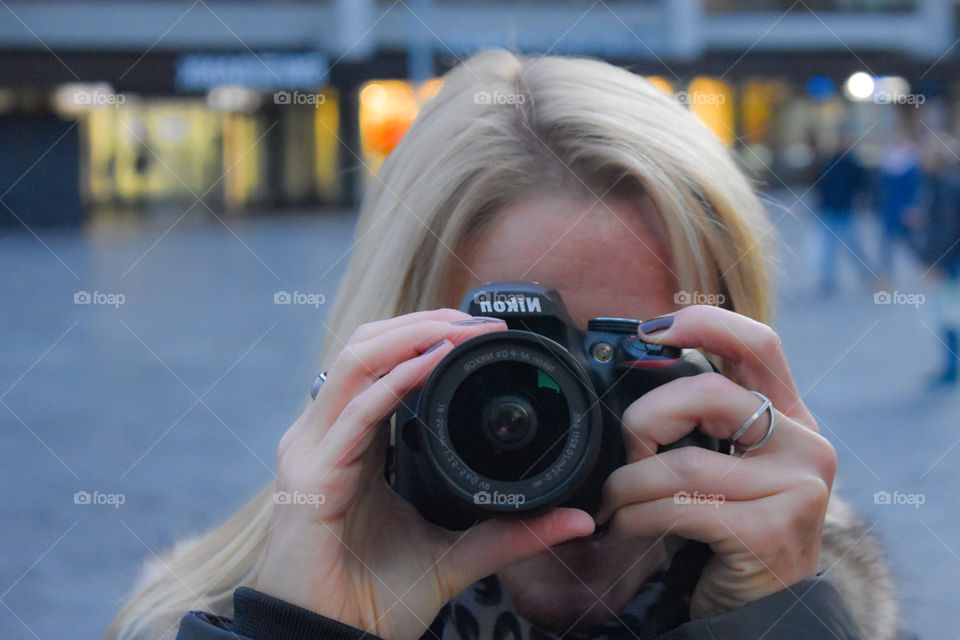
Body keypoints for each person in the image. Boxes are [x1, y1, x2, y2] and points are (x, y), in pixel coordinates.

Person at [107, 51, 899, 640]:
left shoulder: (809, 598)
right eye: (502, 370)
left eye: (625, 362)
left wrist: (775, 617)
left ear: (735, 376)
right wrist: (305, 630)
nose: (565, 425)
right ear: (380, 375)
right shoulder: (222, 617)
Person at [913, 135, 960, 387]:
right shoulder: (941, 182)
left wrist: (936, 262)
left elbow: (947, 227)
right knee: (948, 312)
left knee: (948, 314)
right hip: (949, 259)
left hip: (949, 261)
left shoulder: (943, 184)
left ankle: (951, 366)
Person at [815, 137, 875, 295]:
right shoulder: (828, 163)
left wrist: (862, 201)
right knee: (829, 248)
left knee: (853, 246)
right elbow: (820, 185)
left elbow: (863, 183)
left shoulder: (852, 164)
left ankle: (867, 273)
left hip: (846, 211)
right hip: (830, 210)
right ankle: (828, 280)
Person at [876, 132, 924, 284]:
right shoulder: (887, 160)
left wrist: (914, 208)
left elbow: (916, 189)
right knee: (887, 244)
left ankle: (926, 268)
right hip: (889, 209)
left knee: (911, 242)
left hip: (905, 210)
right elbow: (879, 188)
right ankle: (886, 275)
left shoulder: (912, 163)